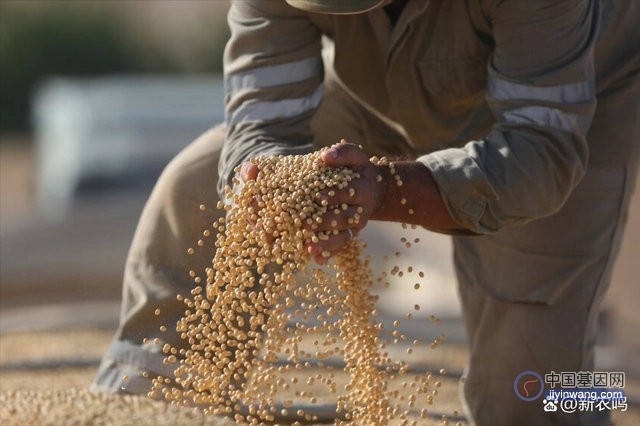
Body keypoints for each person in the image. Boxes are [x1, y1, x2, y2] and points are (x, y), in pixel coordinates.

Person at [92, 0, 639, 424]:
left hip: (564, 107)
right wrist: (270, 184)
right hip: (378, 90)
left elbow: (539, 155)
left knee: (531, 392)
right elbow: (262, 129)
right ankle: (146, 401)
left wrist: (385, 191)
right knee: (196, 190)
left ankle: (606, 388)